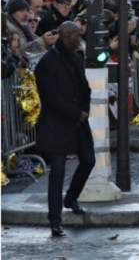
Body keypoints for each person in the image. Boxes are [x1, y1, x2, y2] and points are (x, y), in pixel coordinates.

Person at [34, 21, 93, 238]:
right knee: (57, 170)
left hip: (78, 120)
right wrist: (76, 113)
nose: (79, 39)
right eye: (75, 36)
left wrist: (84, 111)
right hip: (56, 123)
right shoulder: (47, 63)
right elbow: (50, 98)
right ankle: (55, 220)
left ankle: (71, 198)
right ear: (65, 36)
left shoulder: (76, 57)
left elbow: (85, 88)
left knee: (89, 160)